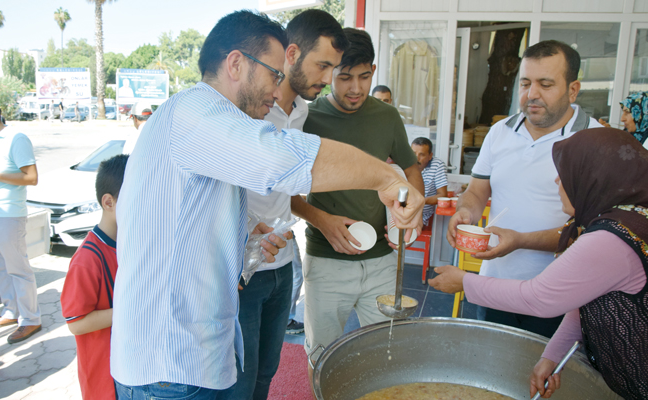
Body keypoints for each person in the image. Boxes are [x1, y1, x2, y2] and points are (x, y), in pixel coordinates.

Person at [111, 11, 423, 400]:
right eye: (275, 75)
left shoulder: (203, 120)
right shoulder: (196, 113)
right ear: (237, 63)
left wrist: (243, 239)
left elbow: (178, 225)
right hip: (170, 364)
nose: (278, 92)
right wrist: (386, 178)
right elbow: (281, 159)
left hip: (191, 356)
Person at [430, 128, 648, 400]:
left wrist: (464, 282)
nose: (557, 179)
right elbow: (584, 303)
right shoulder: (628, 220)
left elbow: (539, 298)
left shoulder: (610, 239)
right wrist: (552, 356)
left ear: (593, 177)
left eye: (567, 171)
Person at [219, 10, 348, 400]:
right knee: (240, 376)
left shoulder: (302, 111)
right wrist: (242, 232)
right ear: (291, 54)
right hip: (244, 268)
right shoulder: (247, 107)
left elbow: (287, 188)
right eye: (323, 65)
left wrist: (320, 218)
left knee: (267, 373)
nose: (328, 81)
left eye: (333, 68)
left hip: (283, 262)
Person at [446, 40, 603, 338]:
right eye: (526, 83)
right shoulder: (499, 131)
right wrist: (465, 212)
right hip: (495, 284)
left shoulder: (597, 140)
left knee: (546, 377)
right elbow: (479, 190)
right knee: (492, 370)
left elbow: (595, 231)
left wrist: (520, 240)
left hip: (561, 294)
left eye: (545, 84)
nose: (532, 95)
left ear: (573, 89)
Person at [291, 28, 425, 374]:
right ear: (330, 72)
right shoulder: (308, 118)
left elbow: (411, 169)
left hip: (382, 259)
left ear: (373, 71)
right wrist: (321, 219)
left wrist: (414, 210)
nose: (355, 88)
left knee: (386, 352)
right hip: (326, 260)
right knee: (322, 356)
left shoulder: (386, 116)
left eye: (364, 77)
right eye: (344, 77)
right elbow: (286, 195)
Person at [61, 154, 128, 400]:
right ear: (108, 202)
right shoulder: (87, 259)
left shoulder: (131, 244)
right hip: (104, 380)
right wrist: (131, 309)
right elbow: (76, 322)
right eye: (135, 198)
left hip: (129, 370)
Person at [0, 104, 41, 344]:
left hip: (8, 214)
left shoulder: (15, 138)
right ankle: (11, 311)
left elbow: (31, 177)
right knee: (0, 268)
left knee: (17, 268)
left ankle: (31, 319)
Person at [411, 137, 447, 227]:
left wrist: (420, 201)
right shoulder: (405, 163)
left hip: (422, 216)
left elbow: (442, 195)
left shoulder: (437, 165)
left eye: (421, 155)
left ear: (430, 156)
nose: (416, 158)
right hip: (402, 212)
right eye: (413, 153)